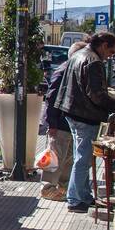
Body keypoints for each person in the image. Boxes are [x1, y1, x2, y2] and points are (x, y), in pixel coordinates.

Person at [58, 31, 115, 213]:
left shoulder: (78, 55)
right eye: (111, 52)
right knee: (83, 158)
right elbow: (96, 95)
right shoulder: (93, 61)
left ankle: (84, 196)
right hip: (85, 115)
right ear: (103, 45)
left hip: (73, 112)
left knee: (81, 156)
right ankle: (75, 199)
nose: (110, 57)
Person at [39, 41, 88, 201]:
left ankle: (63, 187)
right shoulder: (64, 71)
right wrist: (51, 123)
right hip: (59, 123)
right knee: (55, 156)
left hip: (67, 123)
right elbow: (51, 98)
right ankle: (47, 188)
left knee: (67, 158)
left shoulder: (72, 70)